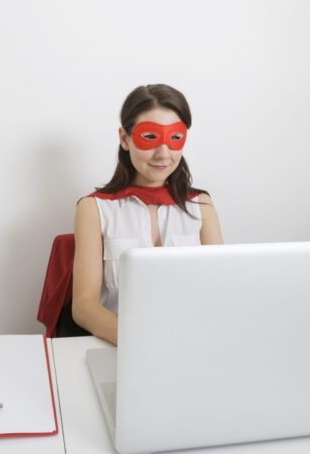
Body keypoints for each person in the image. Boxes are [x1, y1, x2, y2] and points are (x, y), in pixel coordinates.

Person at [71, 84, 224, 345]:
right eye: (150, 137)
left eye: (175, 138)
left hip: (194, 342)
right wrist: (141, 342)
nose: (163, 154)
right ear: (124, 138)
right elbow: (84, 305)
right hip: (120, 346)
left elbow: (222, 289)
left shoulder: (202, 206)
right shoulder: (94, 208)